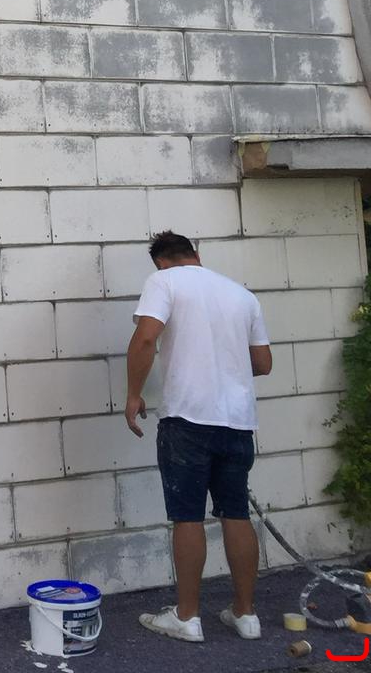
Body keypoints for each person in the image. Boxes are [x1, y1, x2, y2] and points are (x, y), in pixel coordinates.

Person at [125, 229, 272, 643]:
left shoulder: (164, 282)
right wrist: (222, 359)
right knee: (236, 512)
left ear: (161, 262)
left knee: (188, 516)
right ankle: (246, 614)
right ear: (196, 254)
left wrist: (133, 394)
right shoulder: (242, 295)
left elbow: (146, 337)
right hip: (237, 421)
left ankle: (187, 617)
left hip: (188, 419)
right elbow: (263, 363)